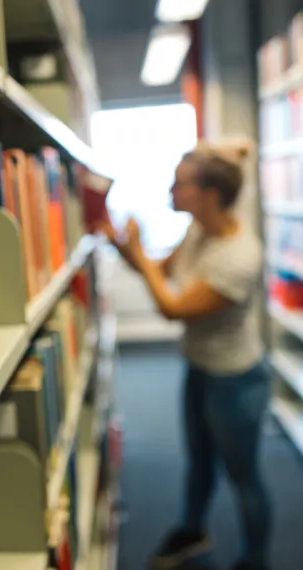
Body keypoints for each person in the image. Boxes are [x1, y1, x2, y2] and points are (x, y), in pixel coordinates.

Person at [103, 141, 271, 570]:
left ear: (209, 195)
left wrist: (137, 252)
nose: (170, 192)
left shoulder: (239, 257)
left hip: (235, 380)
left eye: (179, 185)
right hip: (199, 367)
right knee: (199, 461)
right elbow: (158, 271)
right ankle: (191, 531)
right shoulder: (199, 229)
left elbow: (173, 309)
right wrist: (123, 244)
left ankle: (255, 560)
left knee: (243, 475)